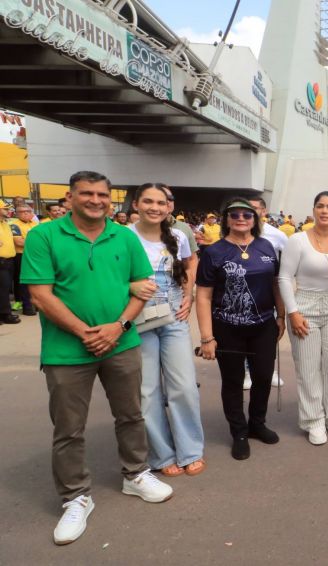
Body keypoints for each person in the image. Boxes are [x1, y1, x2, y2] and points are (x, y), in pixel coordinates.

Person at [22, 171, 173, 545]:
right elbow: (40, 295)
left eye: (102, 194)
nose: (95, 200)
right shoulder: (44, 236)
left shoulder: (124, 236)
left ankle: (135, 474)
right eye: (86, 193)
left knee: (131, 414)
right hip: (66, 351)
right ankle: (75, 497)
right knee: (69, 429)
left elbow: (143, 287)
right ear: (70, 197)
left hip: (121, 343)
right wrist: (85, 332)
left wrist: (117, 327)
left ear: (111, 199)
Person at [196, 197, 285, 460]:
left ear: (255, 219)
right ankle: (239, 431)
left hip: (263, 326)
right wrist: (206, 337)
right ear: (226, 220)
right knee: (233, 382)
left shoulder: (266, 246)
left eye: (247, 214)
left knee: (262, 377)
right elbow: (203, 296)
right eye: (234, 215)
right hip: (227, 328)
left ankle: (257, 423)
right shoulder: (215, 252)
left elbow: (276, 284)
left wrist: (281, 316)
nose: (241, 219)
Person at [128, 184, 205, 476]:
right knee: (147, 390)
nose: (155, 207)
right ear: (136, 204)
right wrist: (130, 286)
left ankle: (190, 449)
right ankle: (162, 454)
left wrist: (188, 295)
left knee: (183, 386)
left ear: (168, 206)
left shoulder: (177, 235)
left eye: (161, 202)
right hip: (138, 317)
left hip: (174, 314)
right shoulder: (123, 236)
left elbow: (187, 265)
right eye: (148, 201)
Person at [278, 191, 328, 445]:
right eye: (320, 206)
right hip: (303, 309)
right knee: (308, 368)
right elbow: (285, 277)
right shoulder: (297, 240)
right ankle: (314, 420)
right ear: (313, 210)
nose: (324, 211)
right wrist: (293, 312)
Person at [249, 196, 289, 388]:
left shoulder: (276, 235)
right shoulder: (233, 231)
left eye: (255, 208)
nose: (251, 212)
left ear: (264, 211)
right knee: (243, 333)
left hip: (268, 291)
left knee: (269, 333)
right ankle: (247, 372)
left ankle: (269, 370)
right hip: (243, 291)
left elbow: (288, 260)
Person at [8, 203, 37, 315]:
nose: (26, 213)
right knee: (24, 282)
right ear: (16, 214)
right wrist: (38, 243)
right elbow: (19, 242)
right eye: (22, 212)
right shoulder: (14, 225)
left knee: (36, 281)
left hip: (36, 256)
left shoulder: (35, 224)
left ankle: (35, 304)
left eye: (28, 211)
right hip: (21, 256)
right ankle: (27, 307)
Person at [0, 201, 21, 324]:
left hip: (9, 261)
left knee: (5, 289)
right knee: (2, 289)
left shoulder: (6, 223)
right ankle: (5, 314)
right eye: (5, 208)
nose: (8, 211)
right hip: (1, 261)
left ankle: (4, 313)